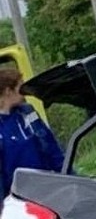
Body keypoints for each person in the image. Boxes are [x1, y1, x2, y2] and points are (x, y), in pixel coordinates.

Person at [0, 68, 65, 196]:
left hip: (48, 187)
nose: (25, 92)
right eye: (21, 87)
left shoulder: (28, 112)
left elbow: (51, 145)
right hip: (17, 198)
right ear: (8, 91)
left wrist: (69, 175)